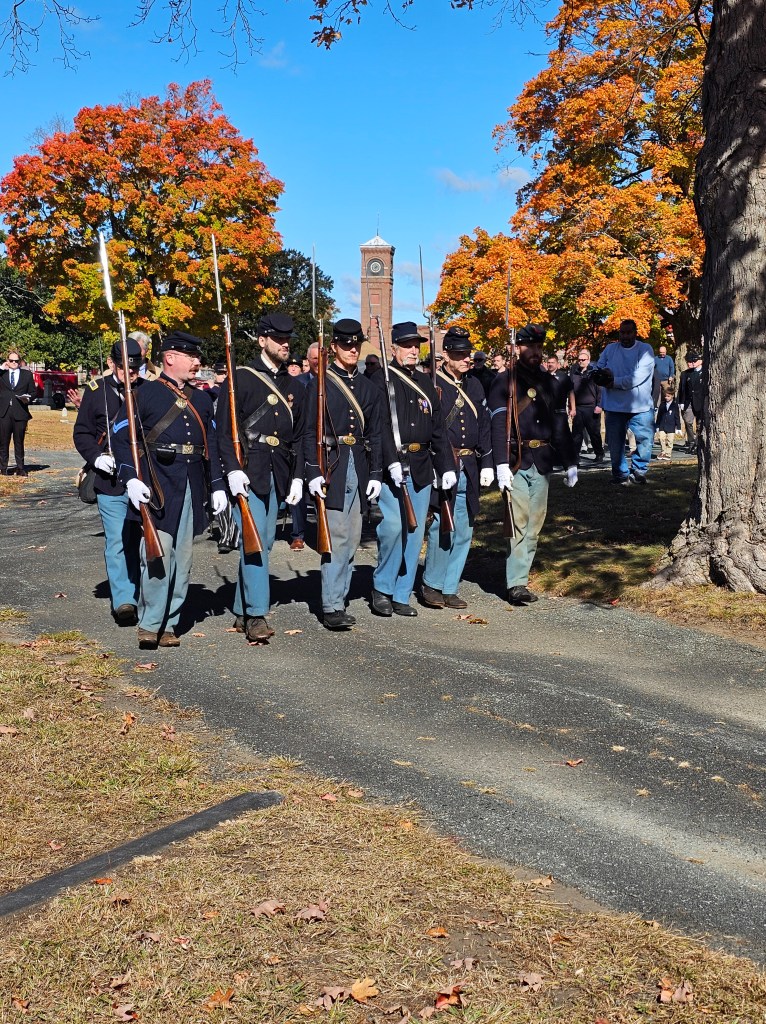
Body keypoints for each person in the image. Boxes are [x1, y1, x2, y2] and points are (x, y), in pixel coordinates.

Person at [112, 331, 227, 649]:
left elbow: (211, 445)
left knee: (183, 559)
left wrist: (217, 485)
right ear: (170, 358)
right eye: (192, 356)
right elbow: (122, 438)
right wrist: (130, 478)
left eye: (198, 356)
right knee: (157, 556)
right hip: (158, 485)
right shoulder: (145, 393)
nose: (197, 362)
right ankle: (150, 623)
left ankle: (171, 623)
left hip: (191, 484)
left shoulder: (202, 399)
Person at [216, 312, 306, 643]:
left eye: (288, 339)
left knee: (264, 542)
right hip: (249, 469)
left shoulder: (295, 386)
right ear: (262, 340)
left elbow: (301, 437)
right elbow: (224, 432)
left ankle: (242, 609)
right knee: (255, 544)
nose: (285, 344)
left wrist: (298, 477)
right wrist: (232, 469)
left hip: (279, 471)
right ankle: (256, 614)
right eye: (278, 338)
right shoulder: (240, 378)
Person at [489, 323, 578, 606]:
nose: (536, 352)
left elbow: (560, 424)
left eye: (540, 347)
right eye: (530, 347)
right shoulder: (504, 381)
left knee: (535, 525)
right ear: (518, 348)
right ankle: (516, 583)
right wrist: (500, 463)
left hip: (543, 460)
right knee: (518, 521)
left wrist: (570, 461)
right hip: (516, 460)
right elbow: (497, 424)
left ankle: (522, 577)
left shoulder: (550, 383)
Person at [371, 321, 456, 617]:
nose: (412, 351)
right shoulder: (381, 380)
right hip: (392, 467)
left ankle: (401, 593)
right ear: (393, 348)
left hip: (421, 465)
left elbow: (438, 429)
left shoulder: (425, 383)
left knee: (415, 531)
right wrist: (390, 460)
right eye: (406, 346)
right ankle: (382, 588)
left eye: (415, 346)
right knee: (393, 528)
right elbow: (379, 427)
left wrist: (446, 466)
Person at [303, 319, 383, 630]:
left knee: (351, 539)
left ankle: (340, 598)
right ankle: (332, 605)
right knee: (335, 537)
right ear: (334, 347)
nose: (352, 350)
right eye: (346, 345)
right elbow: (309, 431)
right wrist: (313, 470)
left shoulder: (368, 388)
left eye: (356, 345)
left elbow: (375, 433)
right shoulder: (320, 384)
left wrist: (375, 472)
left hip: (358, 466)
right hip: (332, 467)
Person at [421, 326, 493, 610]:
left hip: (470, 465)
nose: (466, 359)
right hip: (445, 464)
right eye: (460, 354)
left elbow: (484, 425)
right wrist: (437, 466)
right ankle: (432, 584)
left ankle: (450, 587)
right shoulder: (431, 383)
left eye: (468, 354)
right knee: (443, 526)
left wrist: (487, 463)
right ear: (446, 355)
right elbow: (429, 429)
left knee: (464, 529)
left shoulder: (474, 385)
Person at [73, 339, 144, 624]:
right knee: (116, 539)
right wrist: (95, 457)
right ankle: (124, 600)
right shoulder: (96, 391)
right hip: (110, 479)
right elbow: (82, 433)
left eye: (136, 368)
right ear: (112, 364)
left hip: (143, 479)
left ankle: (143, 593)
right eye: (126, 368)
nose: (132, 374)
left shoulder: (149, 390)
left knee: (139, 540)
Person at [591, 319, 656, 485]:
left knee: (645, 441)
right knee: (615, 444)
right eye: (622, 332)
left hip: (640, 406)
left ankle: (639, 471)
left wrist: (613, 382)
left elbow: (637, 378)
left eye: (629, 332)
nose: (625, 336)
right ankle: (620, 474)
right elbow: (599, 367)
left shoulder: (645, 349)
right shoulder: (610, 349)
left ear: (635, 333)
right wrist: (601, 375)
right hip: (614, 406)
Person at [0, 350, 34, 476]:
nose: (14, 363)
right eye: (11, 360)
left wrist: (28, 398)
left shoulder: (27, 375)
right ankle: (3, 468)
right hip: (4, 412)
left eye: (16, 361)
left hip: (20, 412)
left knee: (19, 441)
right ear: (7, 361)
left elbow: (33, 392)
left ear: (19, 362)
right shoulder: (2, 374)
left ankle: (20, 468)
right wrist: (1, 368)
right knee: (3, 442)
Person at [569, 347, 605, 464]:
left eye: (583, 360)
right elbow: (571, 392)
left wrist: (599, 405)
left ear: (588, 360)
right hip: (579, 408)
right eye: (579, 360)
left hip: (592, 408)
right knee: (576, 434)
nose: (581, 362)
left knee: (594, 433)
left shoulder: (593, 373)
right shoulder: (574, 373)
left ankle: (599, 454)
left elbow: (600, 390)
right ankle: (575, 457)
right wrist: (572, 408)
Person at [678, 351, 705, 453]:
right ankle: (691, 442)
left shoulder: (705, 373)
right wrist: (680, 401)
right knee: (688, 421)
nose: (690, 364)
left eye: (692, 361)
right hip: (688, 401)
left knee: (699, 424)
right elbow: (682, 388)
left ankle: (698, 443)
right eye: (688, 362)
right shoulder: (685, 374)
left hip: (700, 402)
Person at [655, 384, 681, 461]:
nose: (666, 398)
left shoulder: (675, 405)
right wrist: (657, 425)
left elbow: (677, 417)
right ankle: (663, 452)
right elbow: (659, 416)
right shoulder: (662, 405)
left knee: (670, 441)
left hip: (671, 426)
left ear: (672, 396)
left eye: (668, 396)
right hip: (662, 425)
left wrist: (678, 427)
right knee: (661, 438)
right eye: (665, 396)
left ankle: (668, 454)